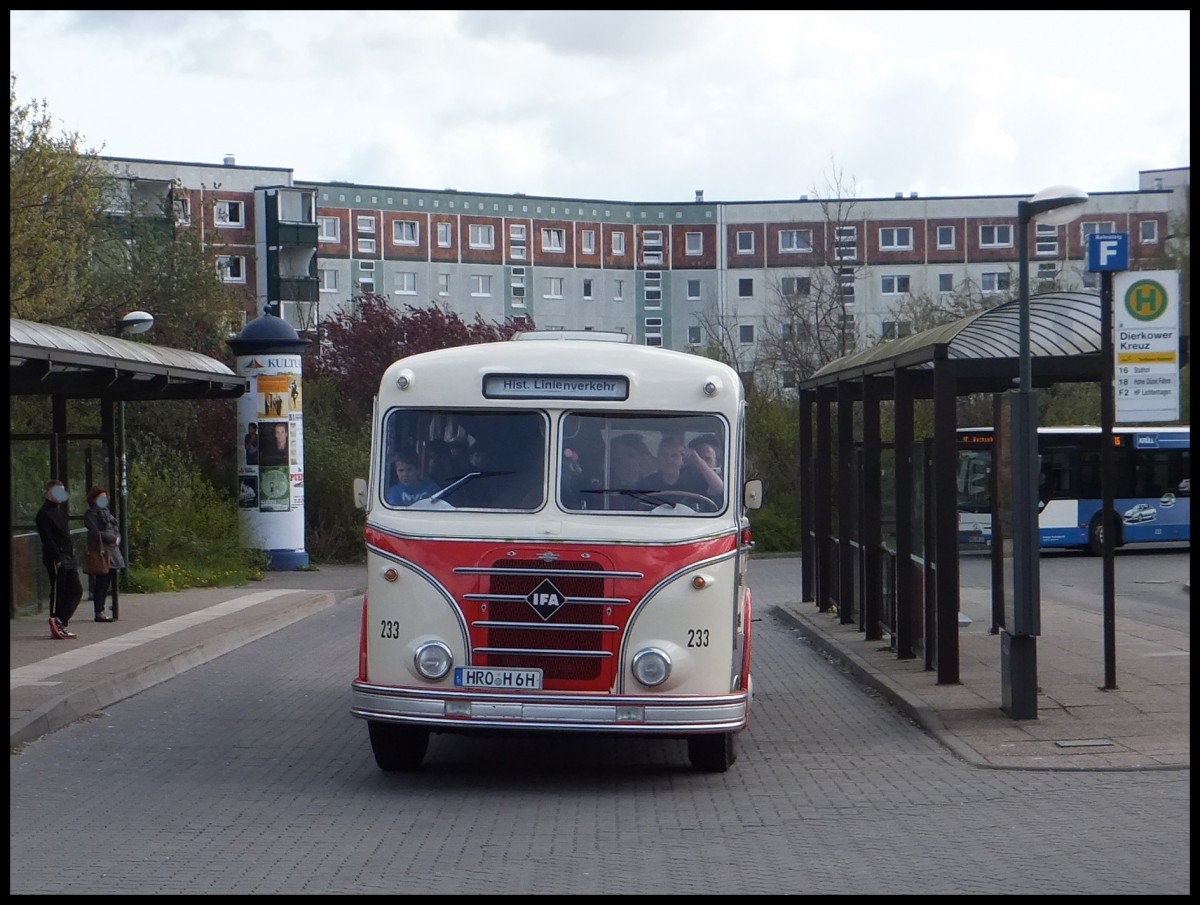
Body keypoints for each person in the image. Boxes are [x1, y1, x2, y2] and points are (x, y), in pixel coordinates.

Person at [34, 479, 82, 639]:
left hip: (68, 556)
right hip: (56, 558)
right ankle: (56, 621)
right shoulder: (43, 514)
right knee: (58, 591)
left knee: (76, 590)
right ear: (49, 493)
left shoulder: (60, 512)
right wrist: (57, 557)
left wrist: (70, 551)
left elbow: (64, 535)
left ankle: (60, 621)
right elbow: (48, 539)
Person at [637, 433, 723, 501]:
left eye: (674, 456)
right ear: (657, 458)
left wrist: (698, 460)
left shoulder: (696, 482)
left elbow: (720, 490)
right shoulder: (645, 484)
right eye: (664, 455)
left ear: (683, 460)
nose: (668, 460)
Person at [84, 485, 125, 622]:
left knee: (108, 582)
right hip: (103, 551)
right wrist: (112, 538)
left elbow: (115, 528)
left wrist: (117, 538)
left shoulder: (107, 512)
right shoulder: (91, 514)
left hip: (113, 551)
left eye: (105, 497)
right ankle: (99, 611)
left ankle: (106, 608)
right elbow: (95, 532)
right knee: (101, 582)